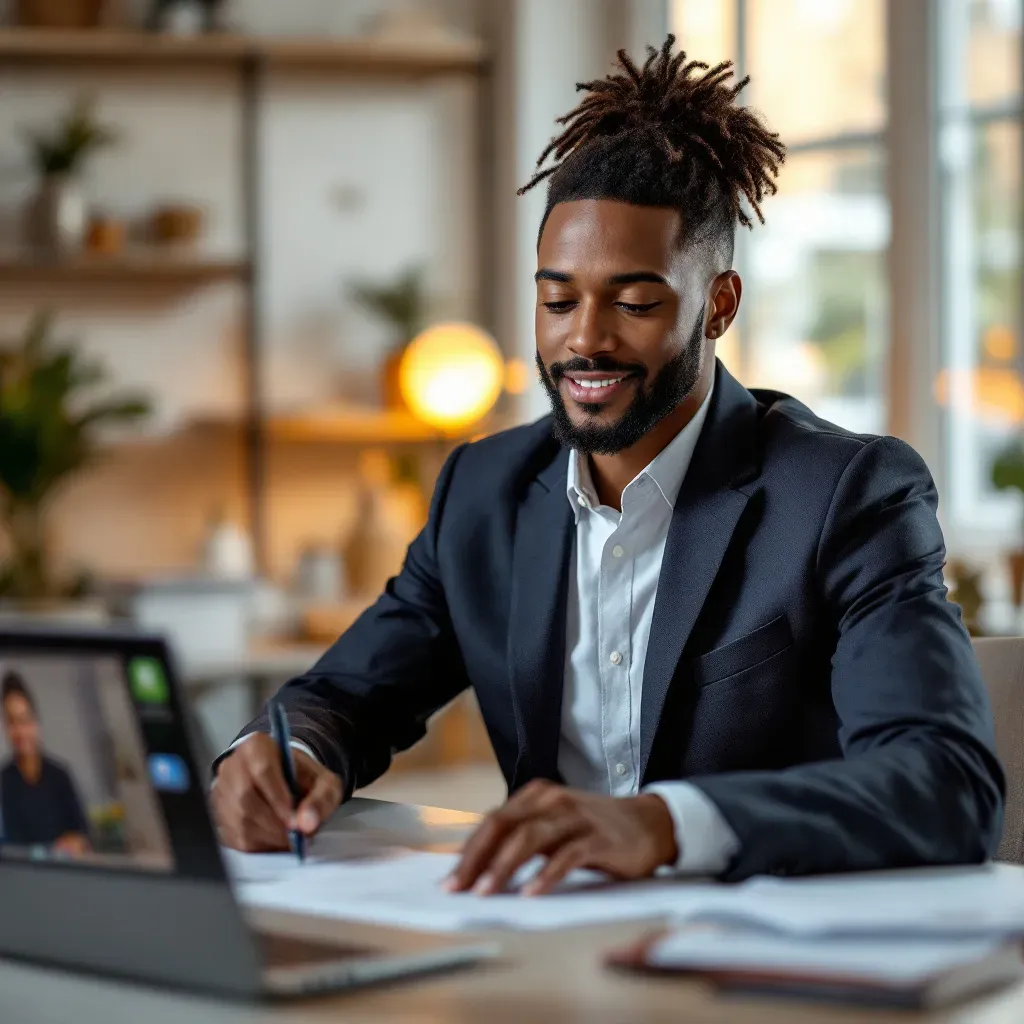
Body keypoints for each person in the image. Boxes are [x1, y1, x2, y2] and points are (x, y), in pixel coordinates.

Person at [212, 37, 1004, 893]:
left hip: (764, 964)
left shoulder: (844, 496)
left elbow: (946, 785)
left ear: (717, 306)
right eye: (557, 300)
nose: (583, 339)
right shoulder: (483, 494)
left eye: (633, 302)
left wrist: (665, 826)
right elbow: (346, 697)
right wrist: (283, 755)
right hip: (547, 950)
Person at [0, 671, 91, 855]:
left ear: (35, 722)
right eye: (11, 722)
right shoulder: (4, 782)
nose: (19, 731)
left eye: (24, 720)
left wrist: (74, 844)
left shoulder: (60, 775)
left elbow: (82, 834)